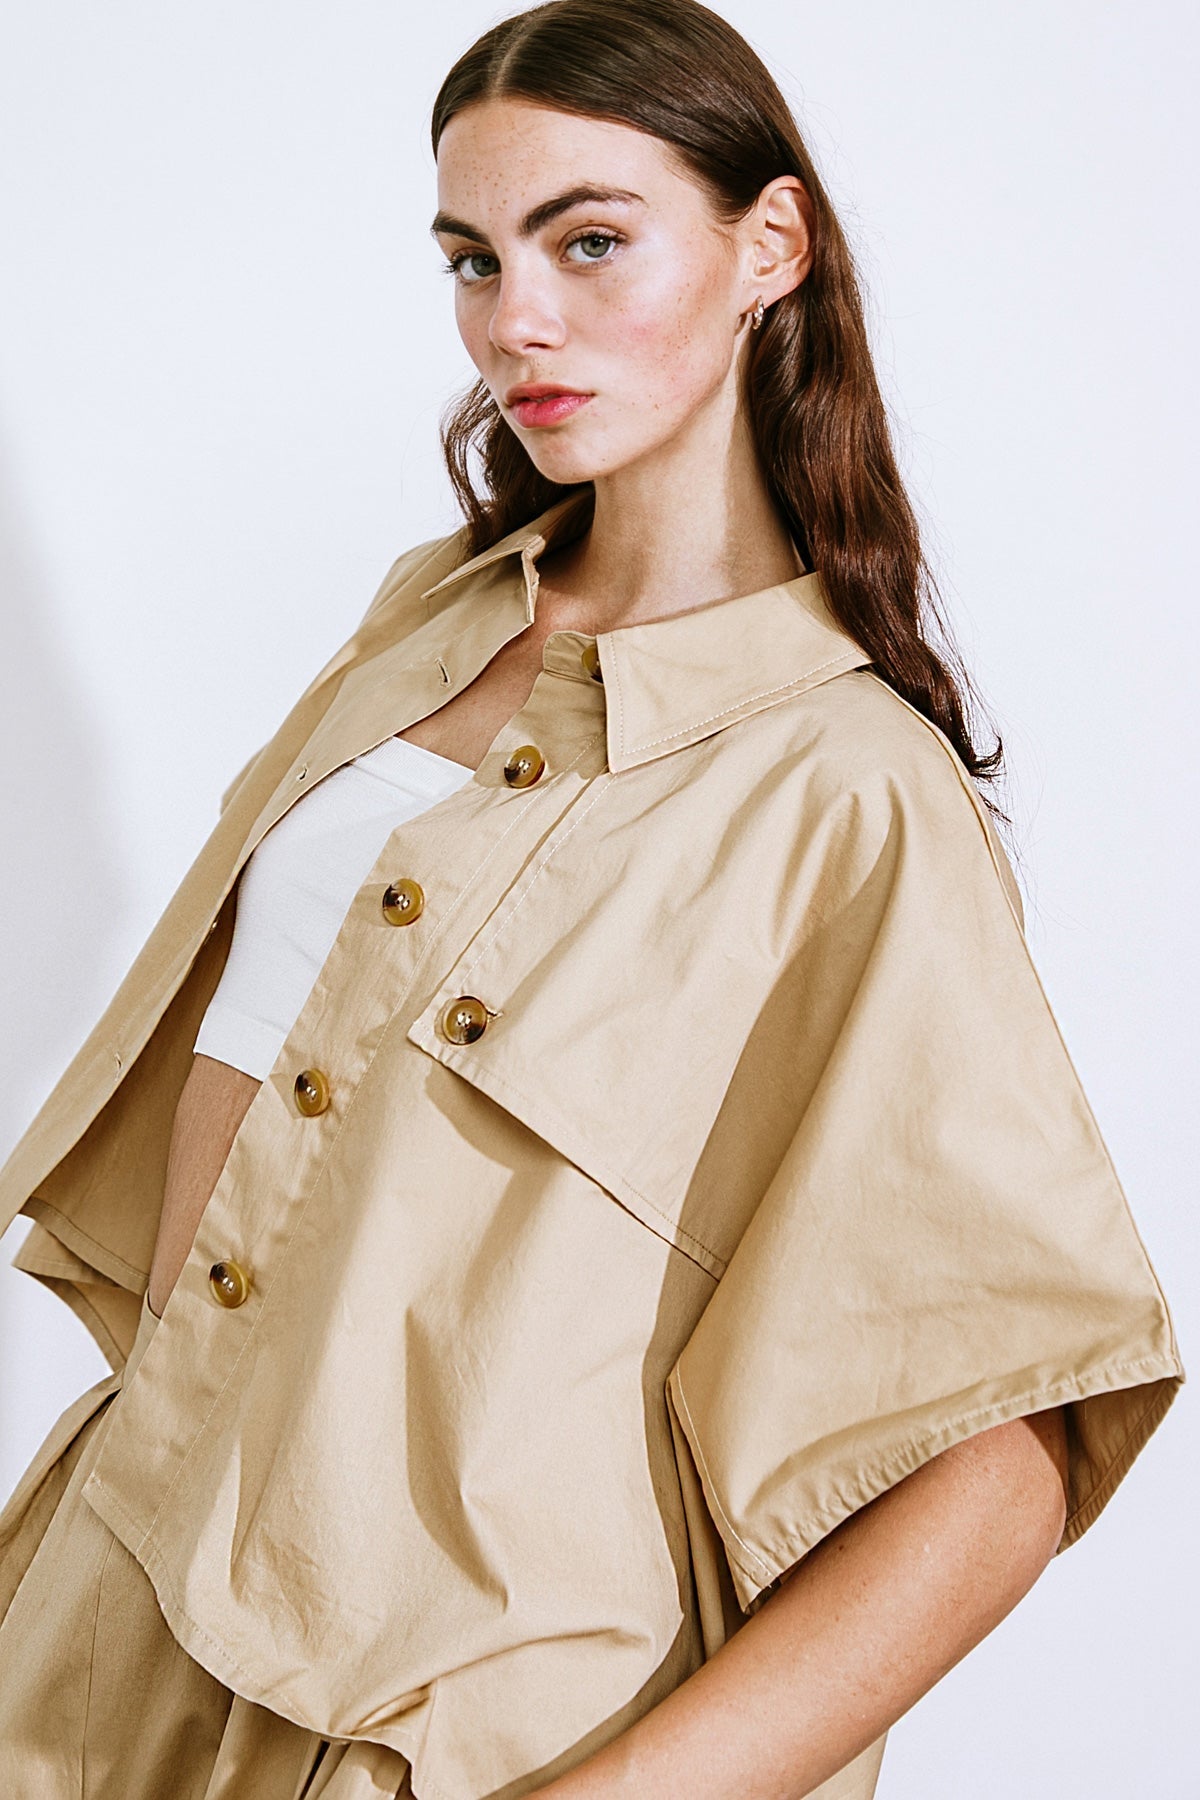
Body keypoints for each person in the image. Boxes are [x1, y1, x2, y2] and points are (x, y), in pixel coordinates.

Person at [0, 2, 1182, 1796]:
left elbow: (1004, 1447)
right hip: (112, 1614)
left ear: (766, 247)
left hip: (442, 1730)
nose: (514, 322)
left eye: (590, 240)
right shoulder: (435, 616)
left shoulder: (847, 795)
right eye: (475, 259)